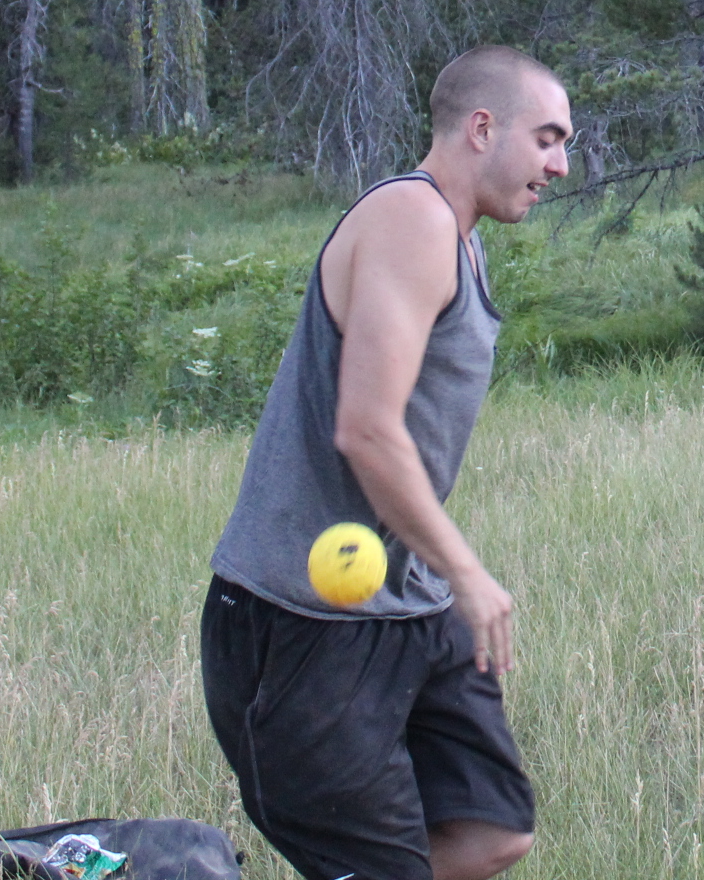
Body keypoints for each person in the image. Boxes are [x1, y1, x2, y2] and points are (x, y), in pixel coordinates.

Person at [202, 46, 573, 880]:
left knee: (493, 831)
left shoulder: (461, 239)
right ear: (483, 128)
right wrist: (468, 571)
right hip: (302, 623)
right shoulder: (413, 219)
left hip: (407, 603)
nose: (559, 165)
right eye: (547, 138)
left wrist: (444, 579)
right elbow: (367, 430)